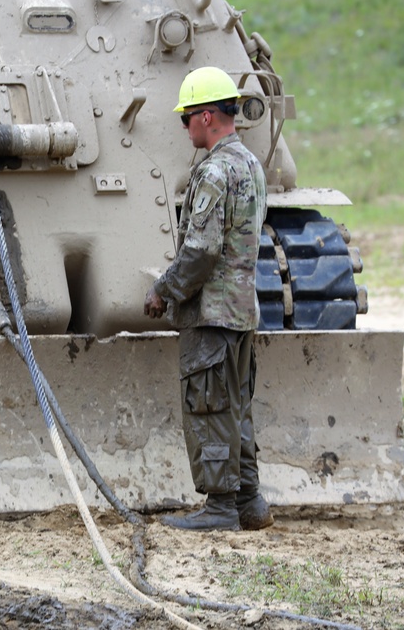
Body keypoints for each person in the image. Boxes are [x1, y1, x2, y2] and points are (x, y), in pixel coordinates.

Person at [144, 66, 274, 532]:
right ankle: (250, 501)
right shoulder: (252, 166)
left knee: (208, 406)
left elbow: (201, 249)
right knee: (235, 405)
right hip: (242, 310)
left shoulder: (215, 171)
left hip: (213, 312)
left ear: (204, 117)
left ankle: (220, 509)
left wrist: (164, 289)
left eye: (185, 120)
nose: (184, 129)